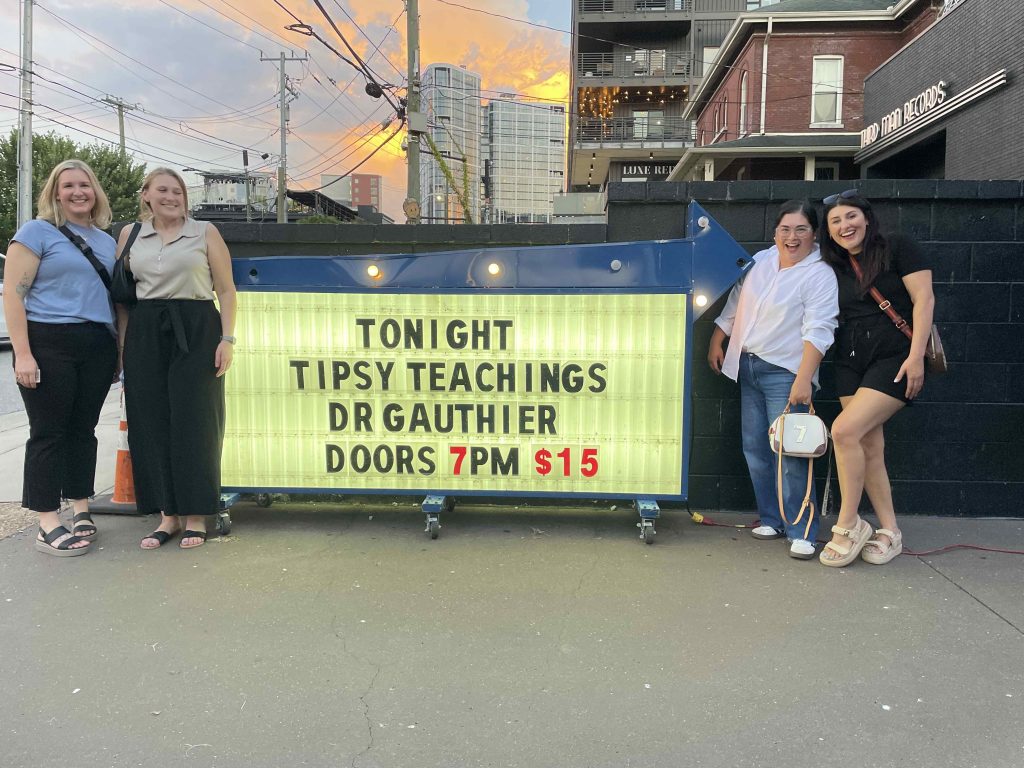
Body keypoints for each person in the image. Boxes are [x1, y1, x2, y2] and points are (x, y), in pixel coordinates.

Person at [708, 200, 839, 559]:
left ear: (814, 234)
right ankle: (772, 518)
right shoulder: (764, 260)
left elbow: (820, 330)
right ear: (775, 232)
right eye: (785, 229)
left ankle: (803, 531)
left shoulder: (820, 274)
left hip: (786, 373)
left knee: (792, 453)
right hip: (747, 366)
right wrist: (718, 337)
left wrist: (804, 378)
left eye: (801, 230)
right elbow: (737, 300)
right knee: (756, 448)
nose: (792, 237)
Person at [115, 168, 236, 550]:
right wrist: (123, 350)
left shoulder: (205, 233)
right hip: (146, 329)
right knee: (151, 422)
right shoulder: (130, 235)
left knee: (196, 422)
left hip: (197, 328)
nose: (171, 197)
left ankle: (197, 515)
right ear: (146, 195)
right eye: (163, 190)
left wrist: (227, 339)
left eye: (178, 191)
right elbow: (123, 299)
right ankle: (167, 515)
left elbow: (227, 290)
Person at [4, 159, 119, 556]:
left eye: (84, 185)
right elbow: (13, 295)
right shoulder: (36, 232)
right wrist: (23, 354)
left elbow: (111, 298)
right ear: (55, 192)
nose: (77, 192)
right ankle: (47, 520)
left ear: (95, 191)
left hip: (97, 344)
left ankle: (80, 506)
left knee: (82, 430)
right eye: (67, 185)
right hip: (48, 340)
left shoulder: (106, 241)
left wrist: (118, 351)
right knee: (48, 432)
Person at [817, 190, 935, 567]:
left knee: (843, 432)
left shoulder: (898, 247)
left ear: (866, 218)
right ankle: (890, 530)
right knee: (869, 446)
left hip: (895, 356)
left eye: (850, 217)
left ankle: (848, 524)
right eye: (835, 221)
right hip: (850, 359)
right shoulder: (833, 264)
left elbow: (925, 300)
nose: (844, 226)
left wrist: (917, 357)